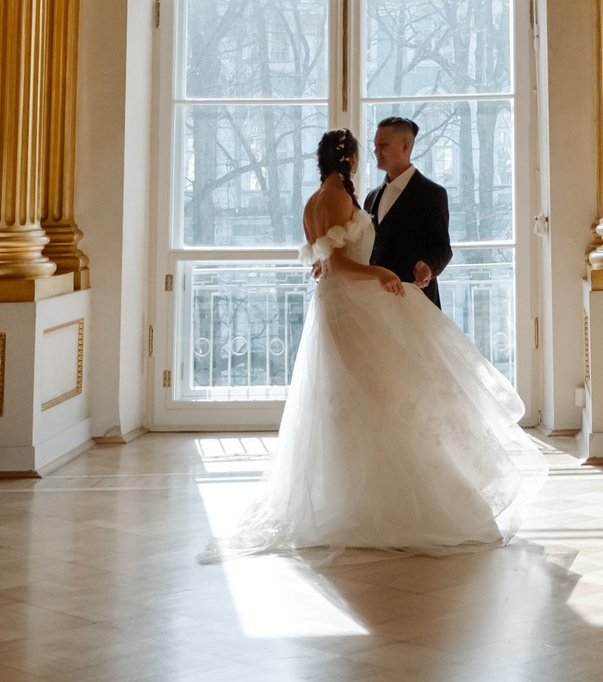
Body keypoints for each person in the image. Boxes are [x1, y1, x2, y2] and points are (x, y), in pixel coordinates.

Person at [215, 128, 542, 557]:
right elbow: (338, 260)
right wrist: (379, 274)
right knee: (378, 398)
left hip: (348, 306)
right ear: (348, 158)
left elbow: (333, 257)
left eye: (383, 144)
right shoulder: (348, 198)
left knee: (366, 398)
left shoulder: (327, 199)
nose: (373, 153)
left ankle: (363, 492)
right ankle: (384, 500)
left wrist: (384, 270)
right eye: (366, 149)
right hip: (355, 307)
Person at [365, 115, 453, 306]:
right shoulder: (371, 198)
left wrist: (428, 268)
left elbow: (443, 248)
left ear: (405, 147)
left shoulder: (432, 194)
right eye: (375, 145)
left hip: (414, 303)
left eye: (383, 145)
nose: (376, 151)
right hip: (376, 305)